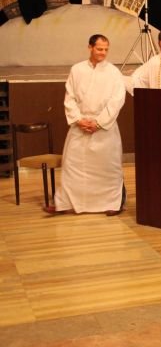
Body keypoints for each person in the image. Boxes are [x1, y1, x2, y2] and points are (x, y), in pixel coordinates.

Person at [46, 34, 126, 215]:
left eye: (106, 49)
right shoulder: (77, 69)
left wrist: (99, 122)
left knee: (108, 168)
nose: (103, 53)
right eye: (99, 49)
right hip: (80, 124)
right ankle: (64, 203)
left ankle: (112, 204)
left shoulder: (113, 72)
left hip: (104, 126)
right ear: (90, 47)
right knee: (72, 166)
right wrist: (78, 119)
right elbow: (70, 97)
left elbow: (117, 100)